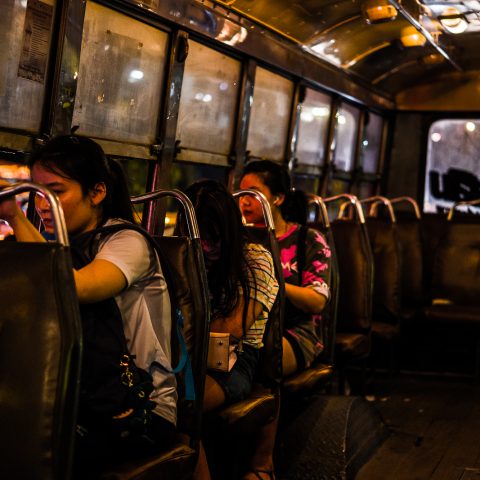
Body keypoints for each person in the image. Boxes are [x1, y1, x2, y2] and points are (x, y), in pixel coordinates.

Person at [0, 134, 177, 471]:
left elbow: (73, 288)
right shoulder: (68, 244)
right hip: (83, 398)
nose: (41, 204)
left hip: (141, 405)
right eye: (36, 192)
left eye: (55, 192)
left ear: (97, 192)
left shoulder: (126, 241)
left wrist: (16, 217)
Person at [180, 180, 279, 480]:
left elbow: (231, 330)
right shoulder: (186, 255)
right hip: (189, 356)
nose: (208, 246)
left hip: (233, 362)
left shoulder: (254, 259)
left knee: (179, 410)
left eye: (215, 236)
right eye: (202, 237)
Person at [239, 160, 331, 479]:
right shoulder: (238, 238)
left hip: (299, 330)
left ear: (276, 198)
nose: (244, 201)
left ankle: (263, 463)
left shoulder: (307, 238)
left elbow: (317, 298)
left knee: (267, 355)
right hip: (248, 327)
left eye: (253, 193)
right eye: (240, 193)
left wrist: (274, 283)